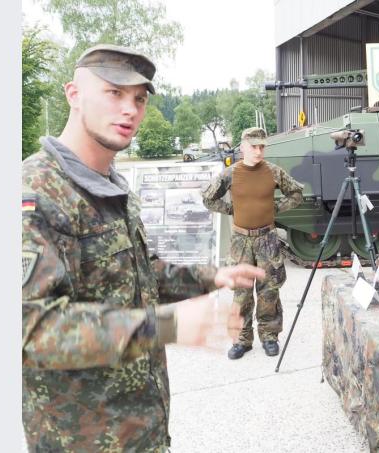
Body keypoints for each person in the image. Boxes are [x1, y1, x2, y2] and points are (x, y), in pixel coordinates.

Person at [21, 44, 266, 452]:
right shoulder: (36, 192)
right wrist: (165, 325)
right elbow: (31, 329)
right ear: (73, 94)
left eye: (139, 98)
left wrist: (211, 276)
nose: (129, 110)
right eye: (114, 93)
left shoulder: (110, 185)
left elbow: (138, 272)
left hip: (141, 430)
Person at [201, 127, 304, 359]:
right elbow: (208, 198)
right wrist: (231, 210)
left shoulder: (273, 172)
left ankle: (269, 336)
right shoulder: (230, 174)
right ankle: (242, 339)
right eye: (254, 146)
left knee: (269, 291)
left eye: (262, 147)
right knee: (241, 293)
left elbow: (296, 194)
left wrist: (275, 208)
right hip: (241, 241)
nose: (258, 151)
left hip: (268, 239)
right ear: (243, 147)